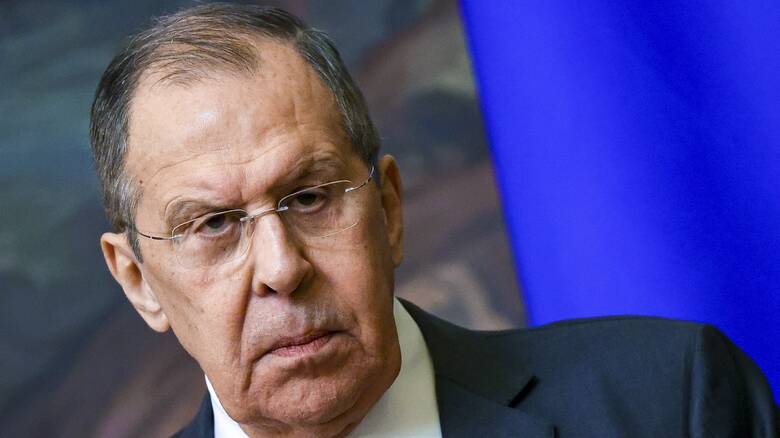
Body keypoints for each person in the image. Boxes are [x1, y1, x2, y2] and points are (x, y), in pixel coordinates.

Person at [90, 4, 778, 437]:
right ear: (138, 280)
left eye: (310, 197)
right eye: (214, 224)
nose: (281, 268)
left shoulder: (669, 400)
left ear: (389, 208)